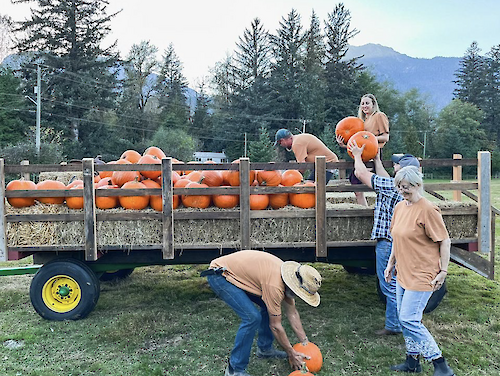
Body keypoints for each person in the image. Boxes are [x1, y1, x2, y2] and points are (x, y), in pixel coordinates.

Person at [201, 250, 322, 376]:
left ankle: (265, 349)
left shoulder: (291, 278)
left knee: (267, 306)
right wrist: (291, 352)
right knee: (252, 317)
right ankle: (234, 369)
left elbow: (292, 313)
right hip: (220, 275)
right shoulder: (275, 285)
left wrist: (304, 342)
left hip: (238, 275)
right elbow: (275, 326)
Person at [384, 166, 454, 376]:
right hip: (403, 272)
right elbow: (397, 238)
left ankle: (440, 364)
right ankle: (412, 360)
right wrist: (390, 264)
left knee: (409, 319)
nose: (401, 191)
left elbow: (444, 241)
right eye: (399, 187)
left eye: (405, 187)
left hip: (423, 274)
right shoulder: (399, 207)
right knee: (402, 316)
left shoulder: (428, 209)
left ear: (417, 185)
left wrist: (443, 270)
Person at [348, 141, 421, 336]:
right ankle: (398, 323)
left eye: (396, 165)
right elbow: (384, 177)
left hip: (388, 243)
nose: (393, 167)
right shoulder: (402, 187)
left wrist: (356, 155)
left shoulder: (390, 187)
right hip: (402, 242)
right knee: (397, 283)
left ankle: (397, 325)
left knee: (389, 285)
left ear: (404, 171)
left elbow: (361, 174)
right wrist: (377, 160)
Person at [337, 93, 390, 206]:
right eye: (362, 104)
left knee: (376, 183)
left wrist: (370, 139)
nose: (364, 106)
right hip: (360, 154)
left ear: (373, 104)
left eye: (367, 103)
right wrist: (344, 145)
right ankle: (364, 209)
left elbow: (385, 137)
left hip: (373, 153)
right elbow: (360, 141)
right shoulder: (362, 121)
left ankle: (384, 207)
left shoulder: (379, 116)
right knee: (356, 184)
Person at [274, 129, 339, 183]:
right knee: (310, 185)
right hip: (321, 165)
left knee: (312, 188)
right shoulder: (298, 139)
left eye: (280, 143)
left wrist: (293, 177)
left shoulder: (297, 143)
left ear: (283, 140)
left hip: (327, 163)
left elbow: (302, 166)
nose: (281, 145)